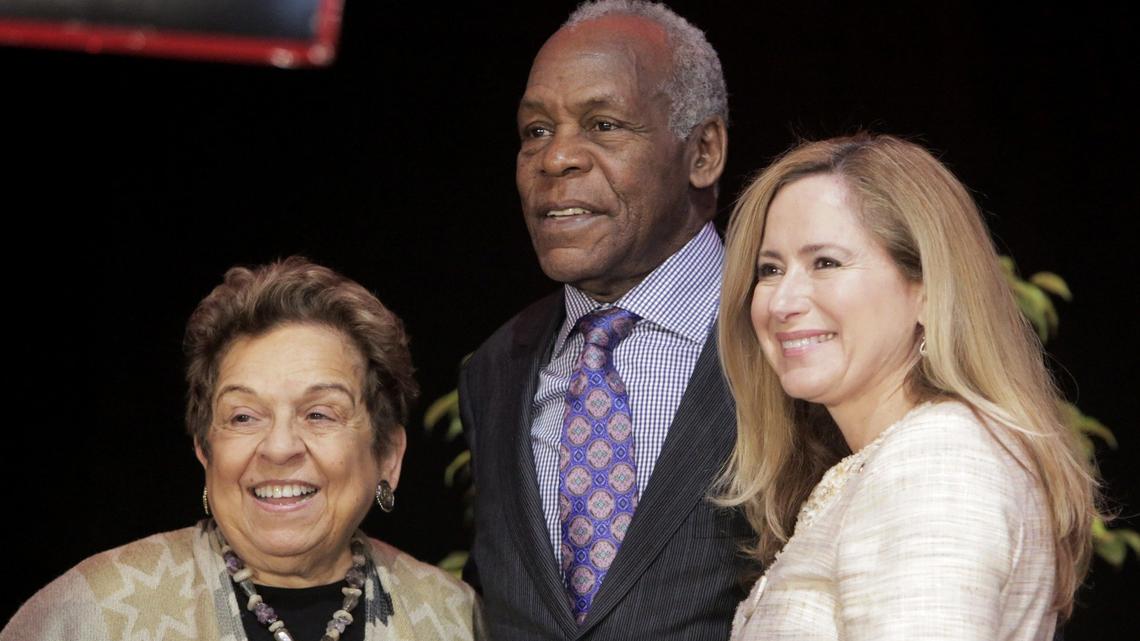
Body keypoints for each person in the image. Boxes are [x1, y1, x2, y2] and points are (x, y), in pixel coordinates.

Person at [717, 133, 1099, 640]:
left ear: (926, 290)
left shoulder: (936, 463)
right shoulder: (902, 455)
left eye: (825, 263)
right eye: (770, 269)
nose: (782, 301)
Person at [458, 1, 755, 639]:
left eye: (603, 124)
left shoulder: (788, 338)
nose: (556, 158)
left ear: (702, 152)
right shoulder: (494, 368)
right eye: (536, 130)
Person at [2, 257, 479, 641]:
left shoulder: (455, 618)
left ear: (388, 456)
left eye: (319, 414)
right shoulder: (87, 614)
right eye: (243, 417)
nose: (278, 447)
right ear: (205, 452)